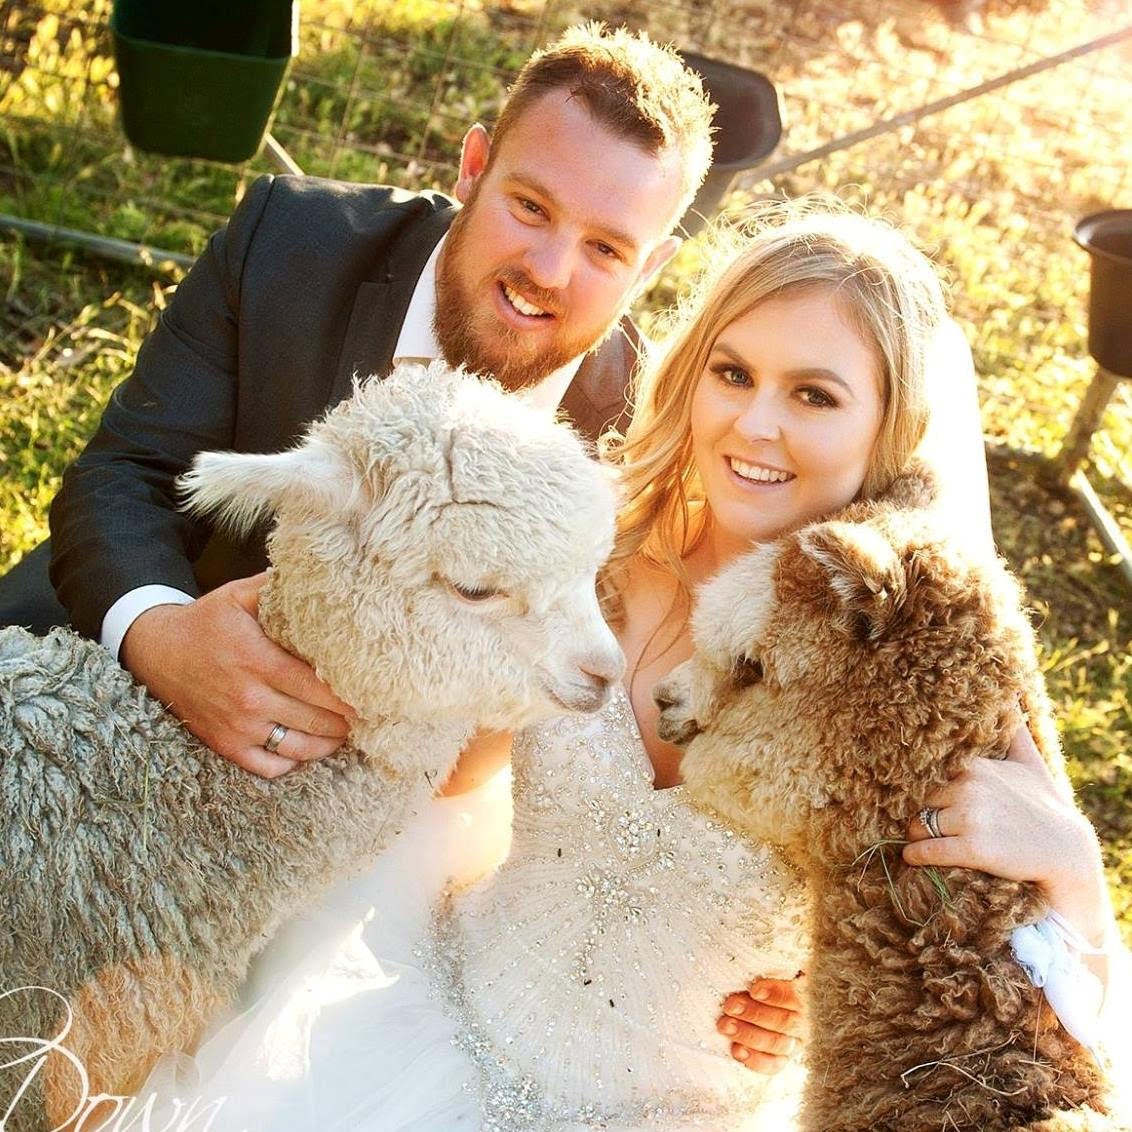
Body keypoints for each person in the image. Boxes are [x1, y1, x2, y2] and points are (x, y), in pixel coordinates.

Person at [130, 205, 1124, 1131]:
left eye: (814, 395)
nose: (755, 424)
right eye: (733, 372)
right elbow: (449, 772)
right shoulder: (583, 549)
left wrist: (1063, 872)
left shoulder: (907, 673)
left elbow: (1009, 1009)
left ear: (888, 427)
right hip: (428, 1024)